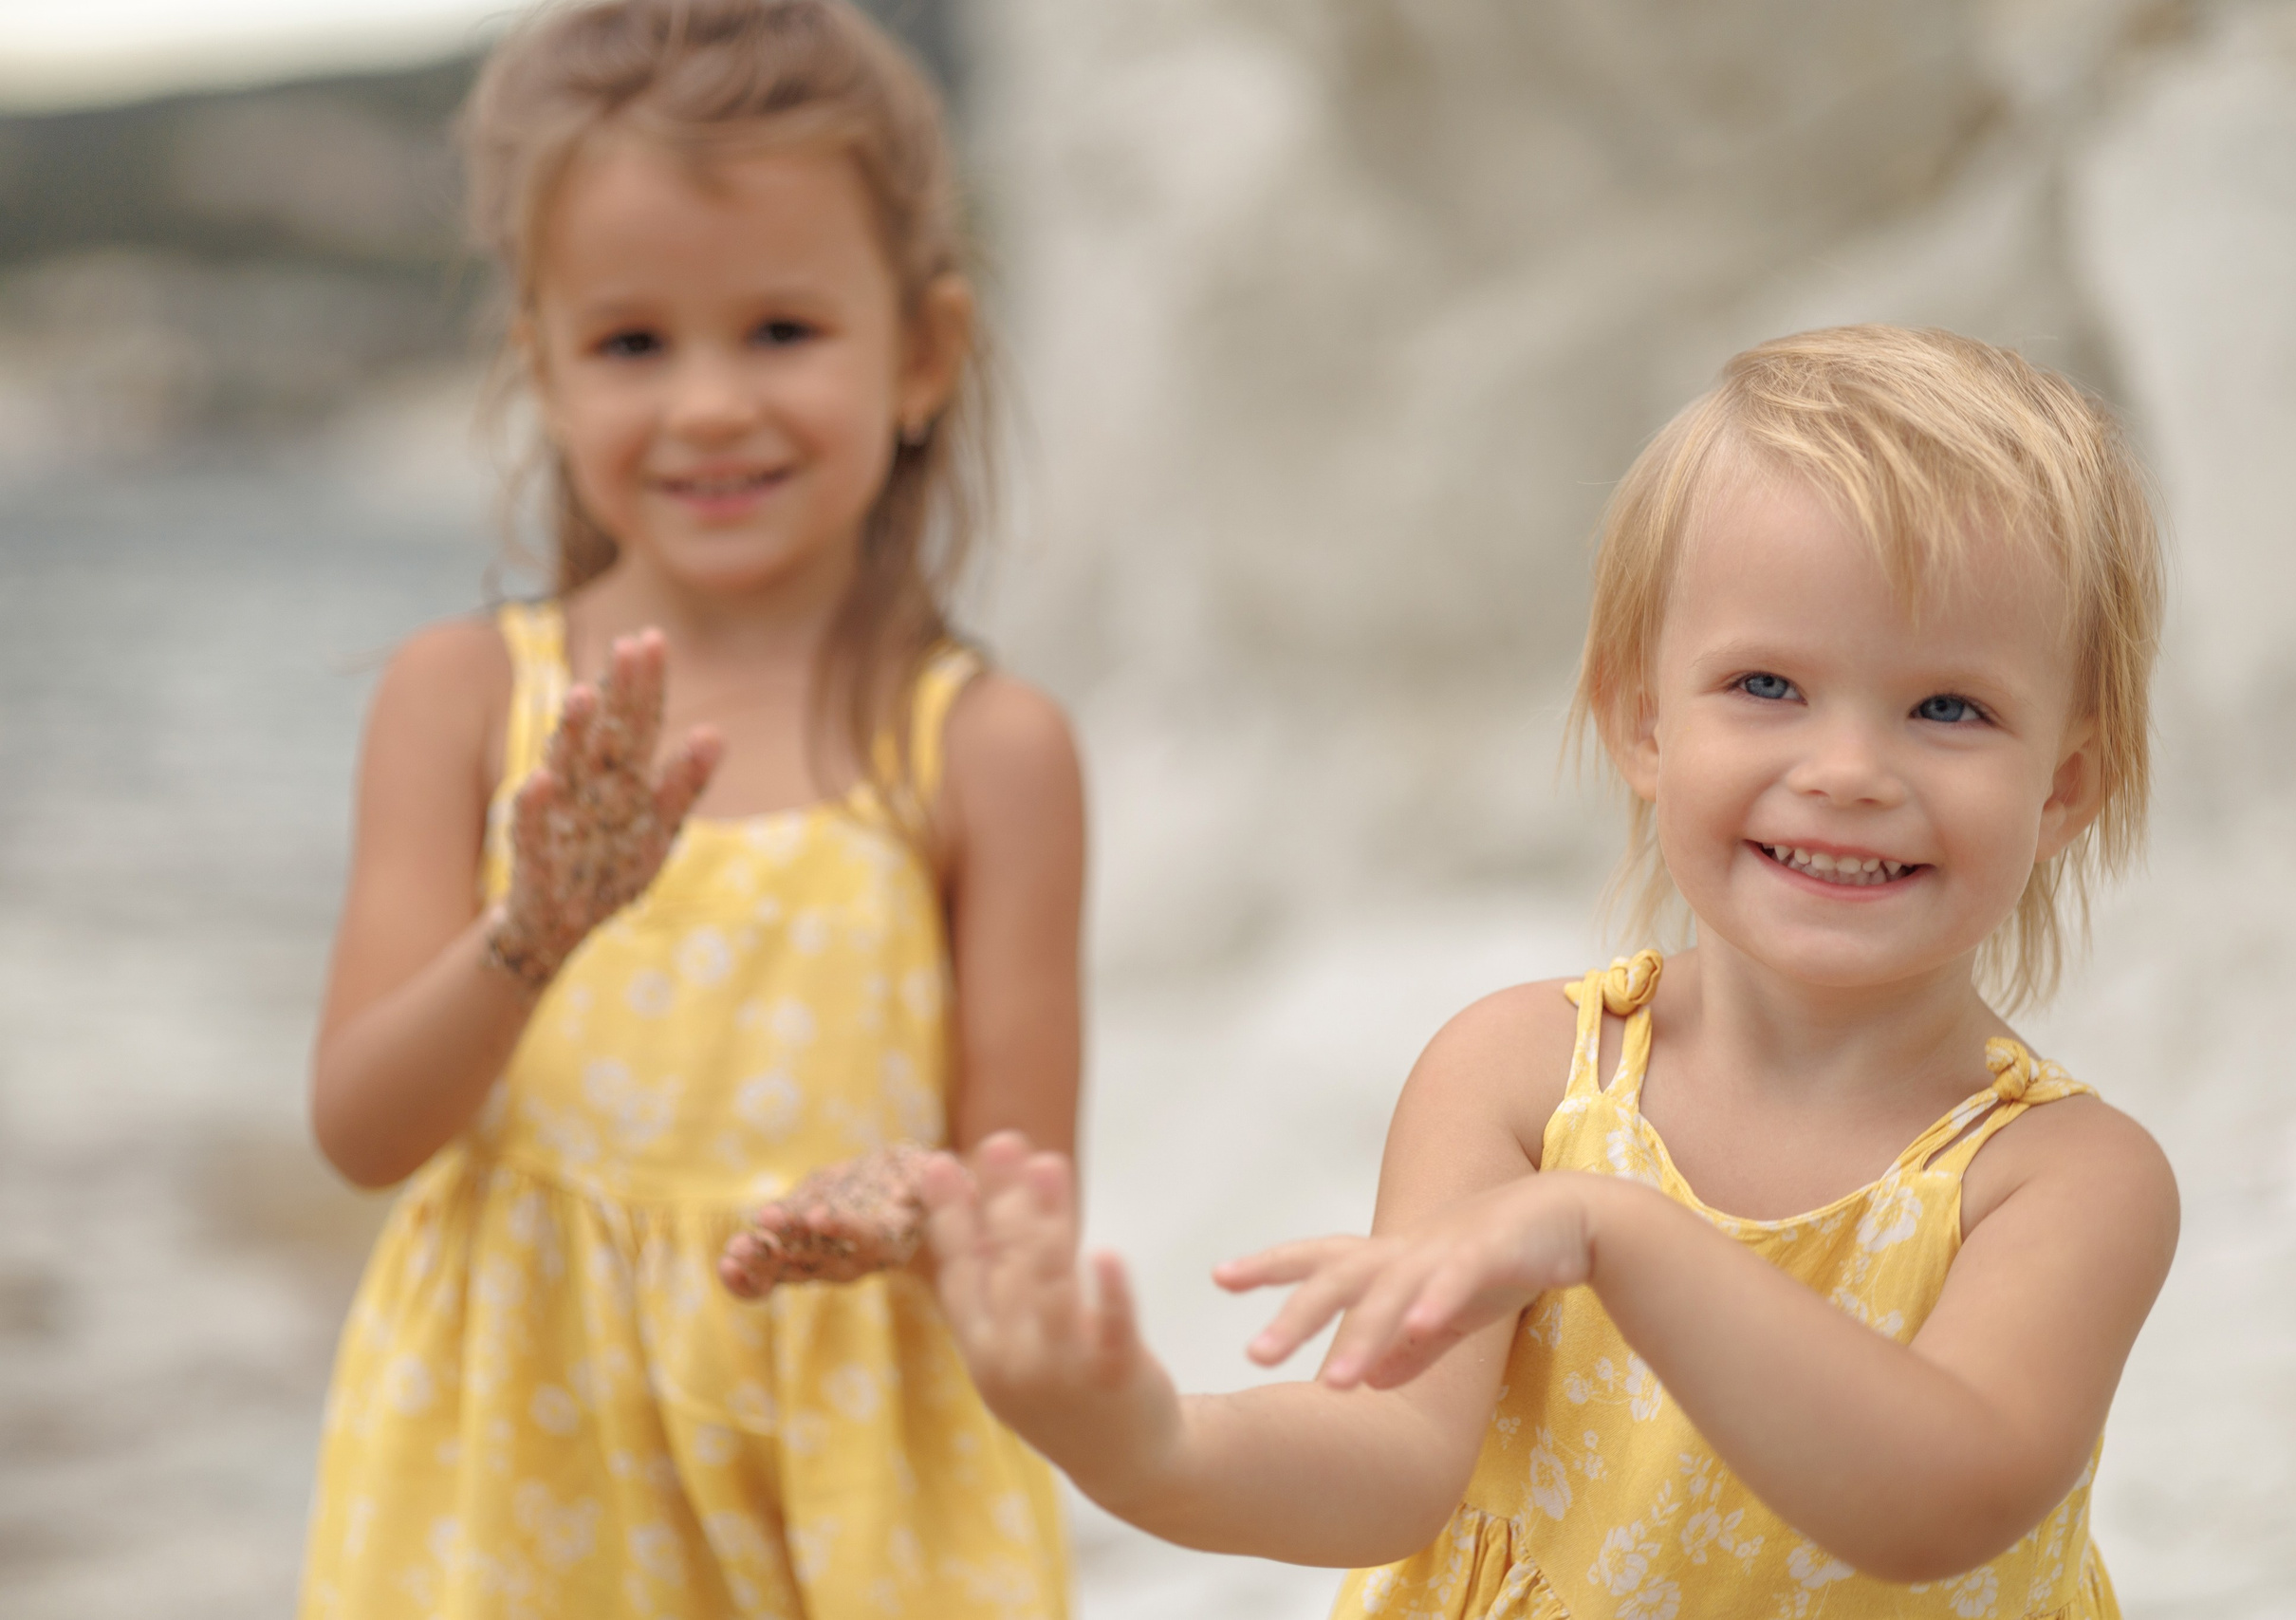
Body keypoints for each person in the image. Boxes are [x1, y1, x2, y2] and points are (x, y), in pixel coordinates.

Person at [922, 326, 2175, 1618]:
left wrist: (1619, 1238)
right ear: (1645, 724)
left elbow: (1939, 1502)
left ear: (2063, 786)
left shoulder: (2067, 1181)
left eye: (1949, 709)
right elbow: (1390, 1464)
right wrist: (1147, 1444)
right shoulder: (1520, 1078)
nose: (1848, 771)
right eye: (1767, 685)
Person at [299, 4, 1082, 1614]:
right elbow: (364, 1131)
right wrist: (531, 934)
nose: (711, 403)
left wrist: (913, 1212)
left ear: (920, 351)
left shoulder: (982, 747)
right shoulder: (464, 698)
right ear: (544, 367)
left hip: (849, 1471)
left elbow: (1024, 1201)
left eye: (782, 329)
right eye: (633, 345)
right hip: (520, 1466)